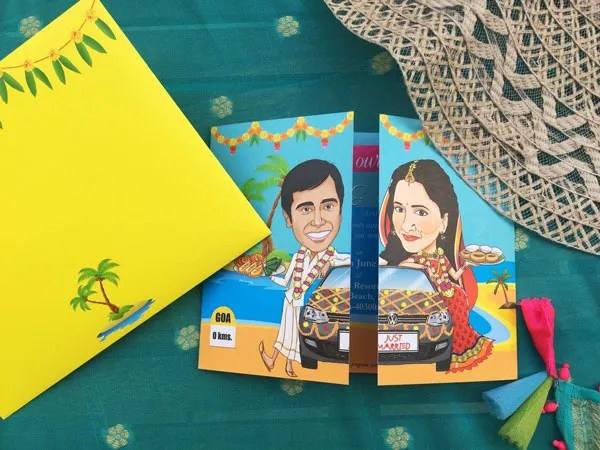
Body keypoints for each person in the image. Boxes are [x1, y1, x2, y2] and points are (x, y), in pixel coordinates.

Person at [378, 159, 493, 372]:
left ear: (444, 221)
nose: (406, 224)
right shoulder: (405, 268)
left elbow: (453, 274)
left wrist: (465, 267)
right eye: (399, 209)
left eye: (420, 212)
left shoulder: (441, 257)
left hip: (452, 297)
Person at [259, 159, 350, 377]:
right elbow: (286, 279)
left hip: (306, 308)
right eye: (306, 209)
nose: (318, 221)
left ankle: (286, 365)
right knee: (286, 334)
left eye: (328, 206)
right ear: (288, 218)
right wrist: (271, 275)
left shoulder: (334, 259)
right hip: (291, 302)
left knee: (296, 337)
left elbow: (351, 262)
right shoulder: (298, 256)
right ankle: (278, 361)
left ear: (340, 211)